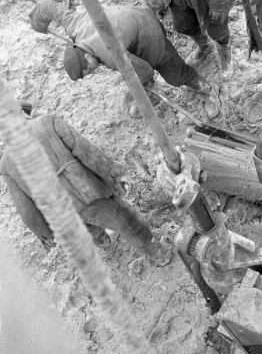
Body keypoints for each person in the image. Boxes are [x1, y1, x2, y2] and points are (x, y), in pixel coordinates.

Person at [0, 104, 161, 259]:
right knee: (127, 222)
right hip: (85, 193)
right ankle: (158, 253)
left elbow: (24, 206)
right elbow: (85, 151)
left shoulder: (6, 162)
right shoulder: (47, 122)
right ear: (22, 113)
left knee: (85, 228)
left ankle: (102, 241)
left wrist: (44, 233)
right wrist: (115, 174)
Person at [29, 0, 211, 93]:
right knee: (134, 67)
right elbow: (49, 8)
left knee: (174, 75)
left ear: (87, 57)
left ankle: (204, 88)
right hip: (133, 15)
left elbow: (145, 71)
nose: (92, 73)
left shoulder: (110, 55)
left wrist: (140, 84)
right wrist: (38, 23)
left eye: (88, 71)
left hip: (150, 32)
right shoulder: (74, 25)